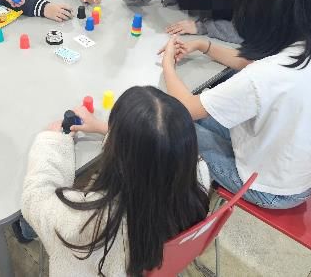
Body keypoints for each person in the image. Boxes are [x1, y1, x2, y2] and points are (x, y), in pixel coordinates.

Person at [159, 0, 311, 209]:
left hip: (271, 188)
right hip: (294, 167)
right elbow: (250, 61)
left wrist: (168, 63)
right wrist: (203, 45)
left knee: (170, 125)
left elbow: (187, 107)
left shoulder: (265, 77)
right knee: (203, 115)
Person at [21, 86, 210, 276]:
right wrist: (102, 127)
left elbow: (35, 199)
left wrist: (52, 142)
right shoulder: (198, 174)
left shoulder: (96, 222)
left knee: (26, 222)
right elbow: (154, 152)